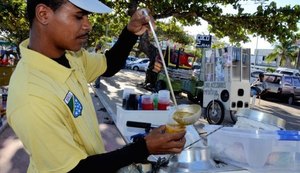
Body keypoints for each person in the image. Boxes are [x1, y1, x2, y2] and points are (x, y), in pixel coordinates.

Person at [6, 1, 186, 173]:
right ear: (43, 14)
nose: (88, 25)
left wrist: (130, 32)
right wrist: (144, 147)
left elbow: (109, 64)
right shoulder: (31, 96)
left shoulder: (70, 57)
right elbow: (72, 170)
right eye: (79, 16)